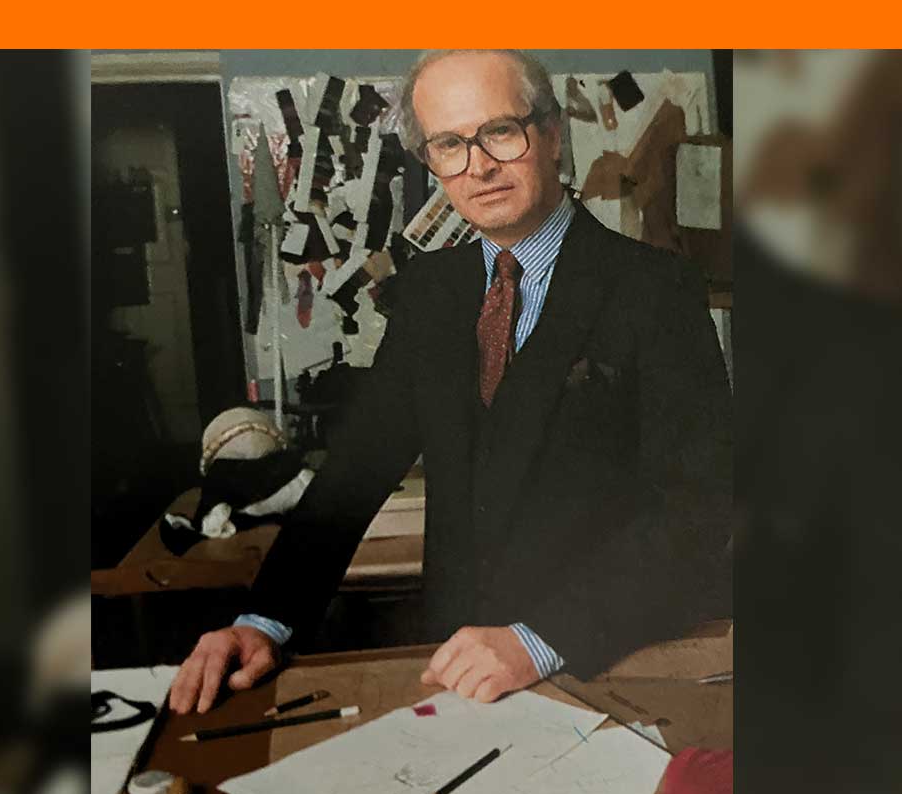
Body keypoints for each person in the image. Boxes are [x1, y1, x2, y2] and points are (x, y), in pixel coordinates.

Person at [170, 49, 732, 714]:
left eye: (501, 131)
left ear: (552, 135)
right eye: (449, 144)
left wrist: (540, 639)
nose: (480, 166)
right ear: (431, 161)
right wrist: (263, 621)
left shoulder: (655, 290)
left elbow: (698, 510)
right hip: (462, 673)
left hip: (607, 664)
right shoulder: (431, 294)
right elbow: (352, 475)